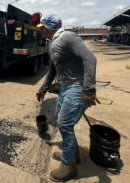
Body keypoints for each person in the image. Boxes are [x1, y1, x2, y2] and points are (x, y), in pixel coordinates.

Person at [36, 14, 99, 182]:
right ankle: (72, 153)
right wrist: (43, 89)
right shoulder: (52, 44)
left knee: (64, 123)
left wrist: (89, 90)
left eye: (41, 27)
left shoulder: (67, 37)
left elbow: (90, 59)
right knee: (61, 120)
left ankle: (68, 165)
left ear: (48, 28)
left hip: (78, 87)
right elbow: (52, 70)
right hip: (65, 88)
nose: (40, 30)